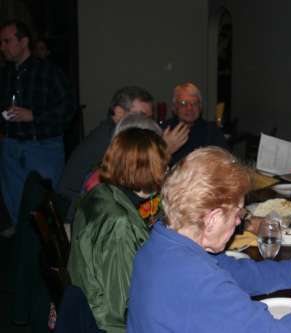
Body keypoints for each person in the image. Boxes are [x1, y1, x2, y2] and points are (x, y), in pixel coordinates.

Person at [127, 147, 291, 333]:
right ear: (212, 219)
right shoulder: (196, 279)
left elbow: (241, 273)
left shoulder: (164, 240)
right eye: (238, 214)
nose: (238, 222)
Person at [67, 127, 169, 332]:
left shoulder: (101, 192)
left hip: (85, 302)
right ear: (145, 170)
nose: (167, 171)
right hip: (104, 323)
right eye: (163, 166)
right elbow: (119, 310)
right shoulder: (120, 225)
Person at [0, 20, 75, 236]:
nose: (2, 47)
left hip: (43, 147)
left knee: (46, 202)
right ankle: (22, 241)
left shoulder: (48, 72)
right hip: (11, 147)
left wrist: (34, 116)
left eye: (7, 41)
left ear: (24, 41)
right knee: (15, 200)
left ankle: (50, 248)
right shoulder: (5, 74)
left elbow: (68, 109)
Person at [57, 86, 154, 224]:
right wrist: (161, 152)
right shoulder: (109, 140)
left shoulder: (110, 131)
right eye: (141, 116)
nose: (147, 124)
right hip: (75, 217)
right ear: (119, 112)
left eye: (149, 118)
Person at [163, 82, 229, 165]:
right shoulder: (165, 131)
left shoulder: (212, 131)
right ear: (174, 108)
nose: (189, 108)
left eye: (194, 103)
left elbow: (225, 162)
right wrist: (165, 150)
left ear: (200, 108)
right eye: (183, 103)